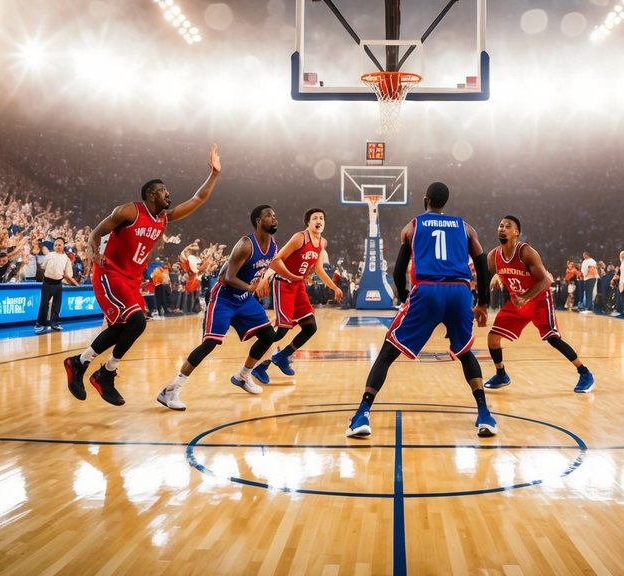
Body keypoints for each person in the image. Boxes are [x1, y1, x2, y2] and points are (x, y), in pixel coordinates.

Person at [64, 145, 220, 406]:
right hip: (109, 273)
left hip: (131, 280)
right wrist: (93, 253)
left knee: (125, 326)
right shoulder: (129, 211)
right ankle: (105, 372)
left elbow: (197, 199)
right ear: (151, 194)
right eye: (163, 192)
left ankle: (81, 364)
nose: (169, 195)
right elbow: (96, 233)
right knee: (136, 322)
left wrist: (214, 174)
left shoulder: (163, 219)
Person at [345, 182, 495, 438]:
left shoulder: (413, 226)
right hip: (459, 292)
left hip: (427, 291)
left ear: (425, 199)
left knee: (387, 351)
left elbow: (397, 270)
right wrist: (483, 302)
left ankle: (362, 414)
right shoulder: (465, 227)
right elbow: (482, 264)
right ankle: (484, 415)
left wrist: (405, 299)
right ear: (445, 202)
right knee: (465, 351)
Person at [156, 205, 281, 410]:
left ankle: (242, 376)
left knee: (268, 335)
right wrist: (251, 287)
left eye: (274, 215)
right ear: (259, 221)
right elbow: (225, 276)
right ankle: (170, 390)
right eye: (269, 215)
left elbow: (266, 267)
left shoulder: (273, 246)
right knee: (209, 344)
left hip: (244, 299)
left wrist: (266, 279)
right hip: (223, 298)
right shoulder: (245, 244)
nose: (274, 218)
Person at [481, 215, 594, 393]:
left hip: (540, 299)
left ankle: (584, 372)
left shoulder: (526, 252)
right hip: (517, 302)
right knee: (493, 338)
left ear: (516, 232)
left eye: (507, 226)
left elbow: (546, 281)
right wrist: (496, 277)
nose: (502, 228)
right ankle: (501, 374)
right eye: (500, 225)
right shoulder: (493, 257)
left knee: (553, 338)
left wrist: (526, 297)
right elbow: (493, 274)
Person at [249, 208, 344, 384]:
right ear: (308, 223)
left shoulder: (322, 243)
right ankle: (257, 366)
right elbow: (276, 260)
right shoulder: (300, 237)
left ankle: (282, 356)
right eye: (315, 218)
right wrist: (264, 278)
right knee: (281, 331)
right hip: (283, 283)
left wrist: (334, 287)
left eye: (322, 218)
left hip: (298, 285)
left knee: (310, 327)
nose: (319, 220)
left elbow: (318, 269)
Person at [34, 237, 76, 334]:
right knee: (44, 304)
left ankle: (55, 323)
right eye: (56, 245)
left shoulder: (66, 258)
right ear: (54, 246)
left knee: (57, 304)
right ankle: (40, 324)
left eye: (60, 244)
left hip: (58, 284)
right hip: (47, 283)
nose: (57, 246)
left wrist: (65, 278)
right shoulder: (49, 255)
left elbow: (69, 274)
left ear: (63, 246)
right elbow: (43, 266)